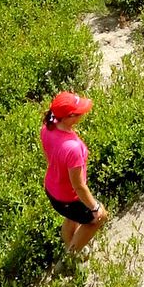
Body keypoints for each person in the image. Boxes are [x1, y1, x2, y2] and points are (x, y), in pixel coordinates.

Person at [41, 90, 108, 254]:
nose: (83, 113)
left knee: (72, 217)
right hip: (68, 198)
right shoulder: (73, 149)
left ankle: (69, 244)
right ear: (69, 116)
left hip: (51, 190)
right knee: (99, 218)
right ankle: (71, 256)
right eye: (79, 112)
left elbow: (49, 158)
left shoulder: (47, 128)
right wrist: (94, 207)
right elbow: (79, 186)